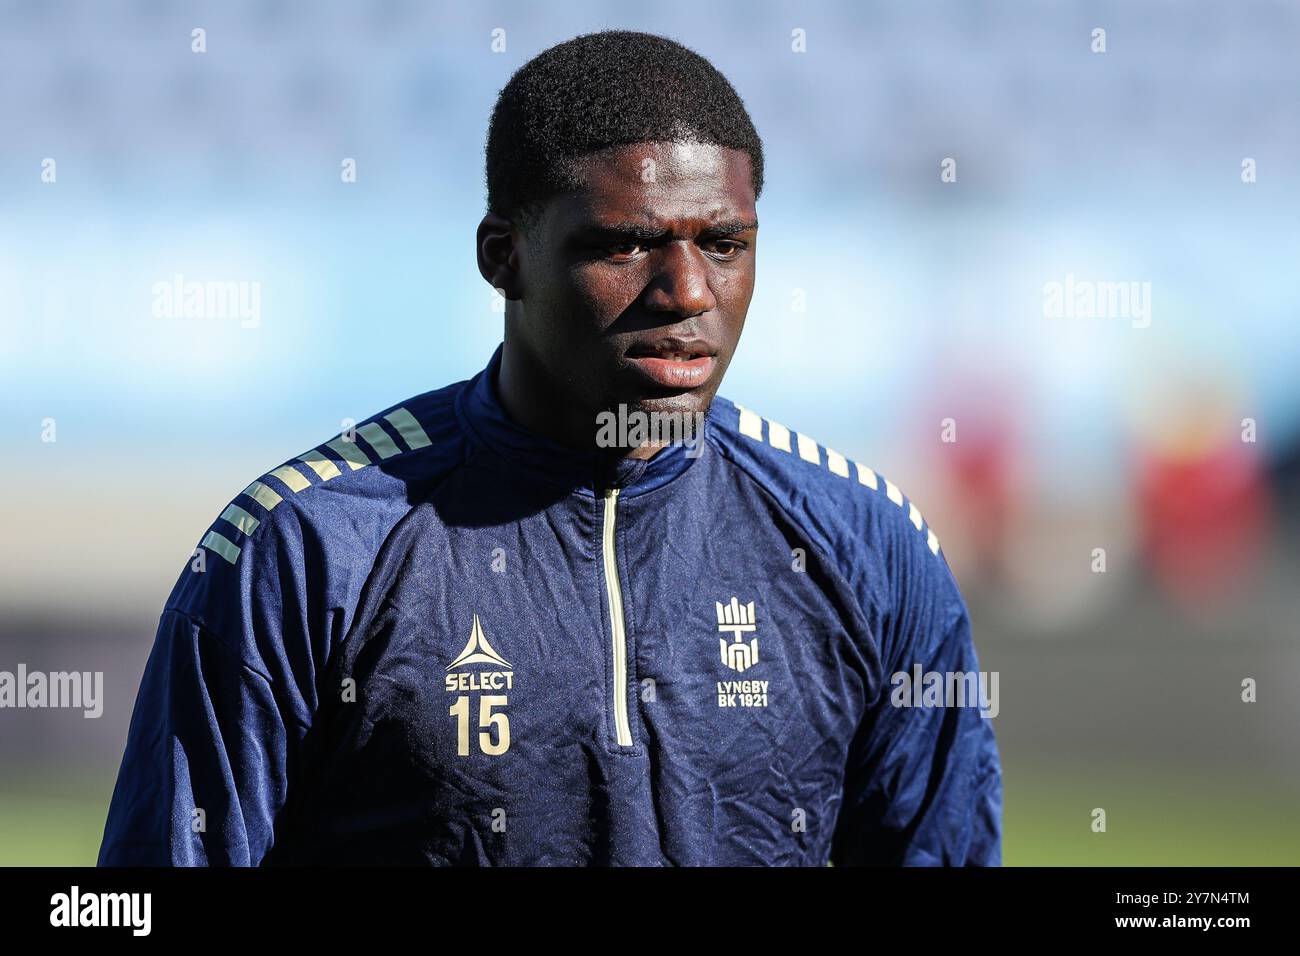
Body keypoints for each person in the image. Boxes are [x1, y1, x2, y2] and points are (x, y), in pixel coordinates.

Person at [98, 29, 1001, 866]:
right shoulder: (308, 548)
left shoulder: (862, 545)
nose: (687, 291)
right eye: (624, 246)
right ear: (504, 257)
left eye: (724, 244)